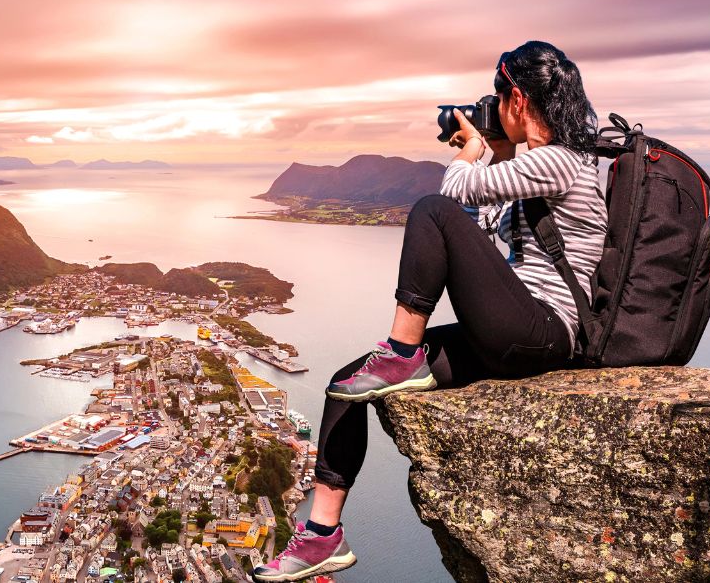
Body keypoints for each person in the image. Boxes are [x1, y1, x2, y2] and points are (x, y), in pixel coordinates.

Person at [252, 41, 608, 582]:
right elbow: (479, 232)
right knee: (348, 382)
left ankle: (401, 349)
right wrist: (493, 151)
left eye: (496, 97)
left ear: (515, 96)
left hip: (545, 331)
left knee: (429, 209)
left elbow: (452, 193)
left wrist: (470, 153)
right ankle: (323, 535)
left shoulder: (562, 160)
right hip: (514, 330)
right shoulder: (539, 168)